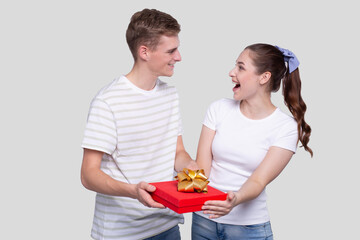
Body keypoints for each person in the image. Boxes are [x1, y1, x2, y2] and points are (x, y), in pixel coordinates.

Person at [80, 8, 196, 240]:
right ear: (144, 51)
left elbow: (178, 153)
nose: (179, 57)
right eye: (171, 51)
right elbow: (88, 174)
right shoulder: (108, 101)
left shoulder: (170, 95)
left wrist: (195, 172)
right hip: (120, 233)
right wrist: (133, 192)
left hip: (167, 227)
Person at [192, 43, 313, 240]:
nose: (232, 72)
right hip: (203, 220)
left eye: (241, 67)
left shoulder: (285, 127)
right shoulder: (218, 109)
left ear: (264, 77)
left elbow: (258, 181)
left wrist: (235, 199)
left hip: (248, 229)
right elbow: (202, 170)